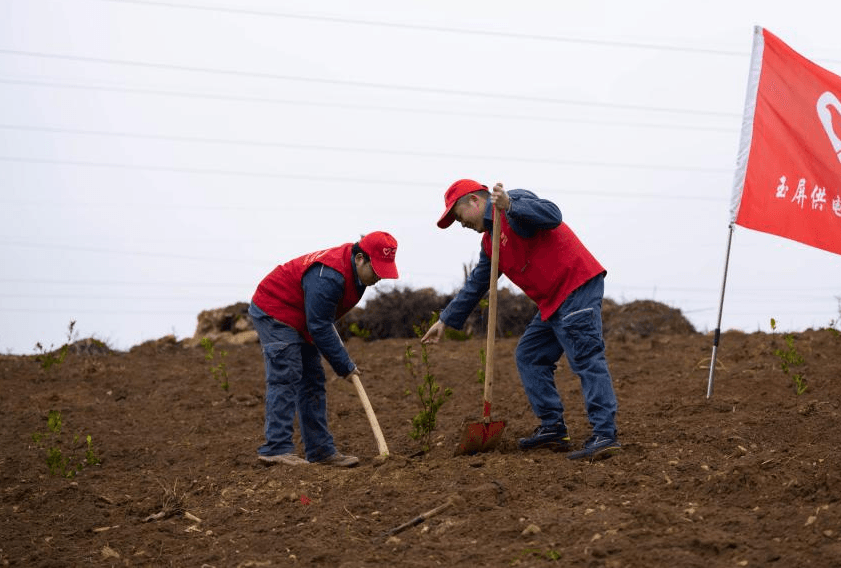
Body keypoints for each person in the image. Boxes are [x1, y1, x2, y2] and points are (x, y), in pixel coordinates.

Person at [422, 180, 621, 461]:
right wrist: (445, 320)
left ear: (474, 202)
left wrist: (510, 206)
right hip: (551, 302)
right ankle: (553, 428)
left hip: (575, 287)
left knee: (586, 357)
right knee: (529, 355)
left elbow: (552, 215)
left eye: (458, 215)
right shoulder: (490, 243)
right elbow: (476, 284)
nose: (460, 223)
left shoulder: (511, 204)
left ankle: (605, 434)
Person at [249, 231, 399, 467]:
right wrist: (344, 366)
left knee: (313, 379)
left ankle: (320, 451)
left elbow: (321, 320)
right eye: (376, 270)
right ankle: (276, 448)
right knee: (286, 374)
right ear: (360, 258)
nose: (379, 277)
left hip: (304, 317)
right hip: (275, 308)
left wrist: (342, 361)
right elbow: (319, 325)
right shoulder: (329, 276)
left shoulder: (356, 276)